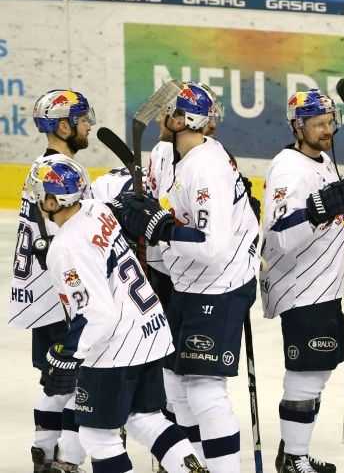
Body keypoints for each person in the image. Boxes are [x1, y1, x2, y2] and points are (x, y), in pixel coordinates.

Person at [110, 82, 259, 472]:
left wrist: (159, 226)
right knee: (175, 384)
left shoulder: (206, 167)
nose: (159, 117)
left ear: (181, 119)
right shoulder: (168, 152)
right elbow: (160, 213)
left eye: (166, 112)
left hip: (221, 283)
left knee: (205, 388)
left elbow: (212, 248)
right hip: (183, 282)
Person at [29, 155, 209, 473]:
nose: (36, 197)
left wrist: (68, 354)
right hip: (152, 331)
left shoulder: (66, 247)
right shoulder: (96, 210)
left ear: (55, 200)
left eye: (40, 192)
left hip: (117, 347)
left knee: (98, 436)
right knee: (146, 419)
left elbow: (97, 314)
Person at [260, 89, 344, 472]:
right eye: (318, 124)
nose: (327, 131)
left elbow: (328, 216)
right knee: (306, 375)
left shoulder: (324, 160)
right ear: (298, 126)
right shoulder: (288, 168)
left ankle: (293, 449)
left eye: (330, 123)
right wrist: (318, 209)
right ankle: (293, 459)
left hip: (324, 286)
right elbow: (278, 234)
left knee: (318, 369)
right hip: (300, 287)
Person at [10, 89, 94, 472]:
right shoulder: (60, 174)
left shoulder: (43, 168)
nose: (88, 125)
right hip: (61, 302)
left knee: (55, 384)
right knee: (79, 385)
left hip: (42, 298)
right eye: (82, 119)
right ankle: (64, 464)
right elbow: (56, 244)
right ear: (64, 126)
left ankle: (44, 455)